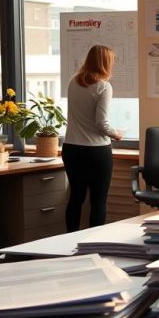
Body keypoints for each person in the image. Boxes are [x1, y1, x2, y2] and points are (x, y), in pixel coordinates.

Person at [62, 44, 123, 232]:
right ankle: (93, 244)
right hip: (95, 151)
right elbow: (101, 123)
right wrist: (116, 134)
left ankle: (68, 240)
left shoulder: (73, 81)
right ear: (105, 63)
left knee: (76, 197)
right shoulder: (103, 87)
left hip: (71, 148)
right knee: (98, 200)